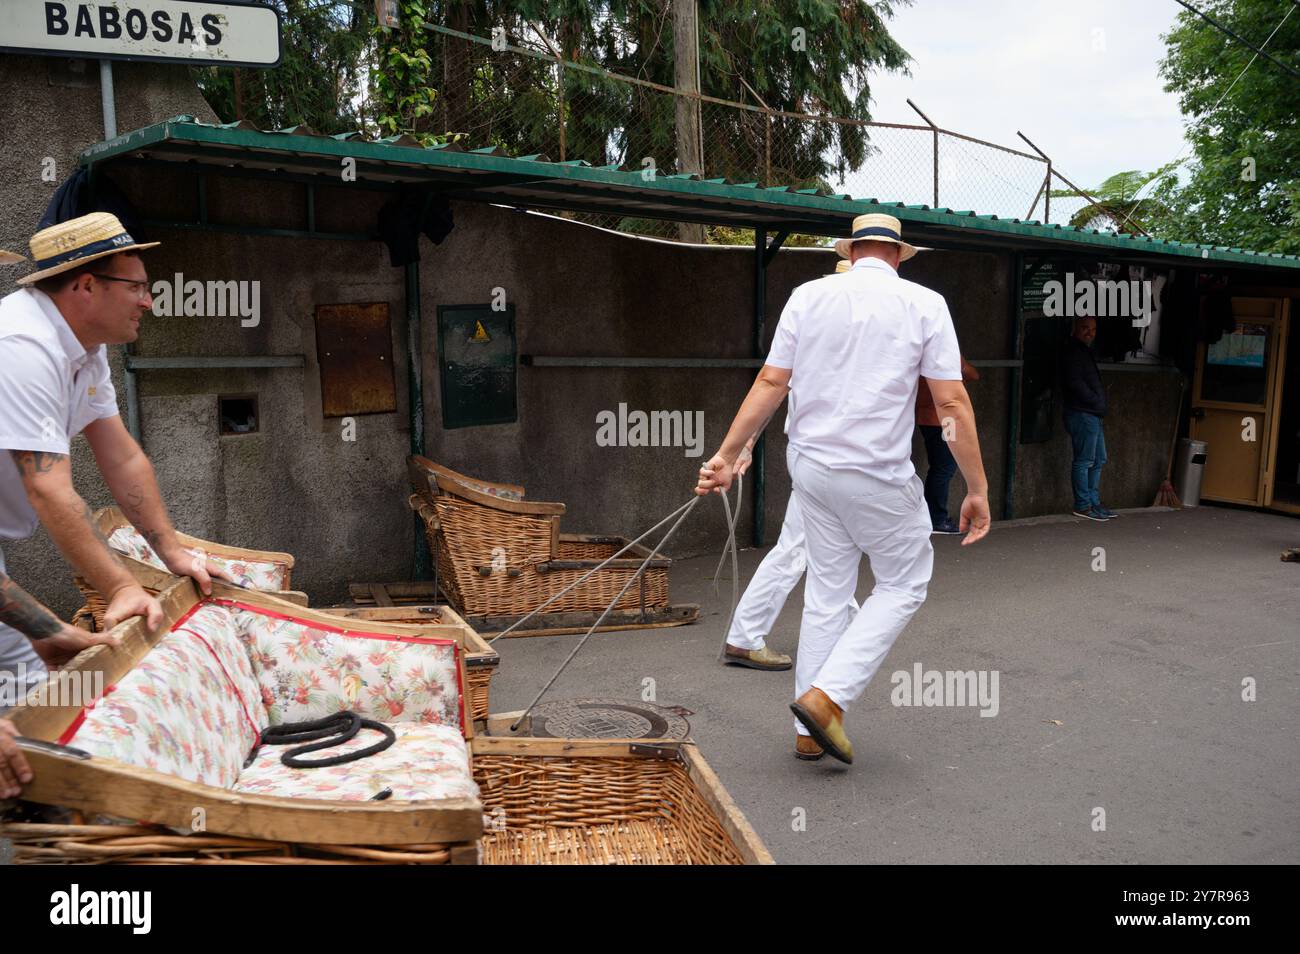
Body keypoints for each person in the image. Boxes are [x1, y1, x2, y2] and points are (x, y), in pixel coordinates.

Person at [697, 213, 990, 764]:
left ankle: (809, 732)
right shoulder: (926, 304)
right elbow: (951, 403)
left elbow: (770, 382)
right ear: (899, 256)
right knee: (905, 581)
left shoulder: (808, 296)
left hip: (810, 468)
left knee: (828, 594)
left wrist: (726, 456)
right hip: (876, 474)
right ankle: (827, 699)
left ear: (852, 251)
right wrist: (976, 487)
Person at [0, 213, 230, 789]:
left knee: (35, 700)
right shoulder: (21, 347)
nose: (149, 301)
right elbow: (49, 487)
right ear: (85, 287)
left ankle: (57, 826)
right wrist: (122, 587)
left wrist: (171, 553)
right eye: (137, 287)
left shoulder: (83, 345)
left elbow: (121, 456)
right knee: (27, 711)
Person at [723, 258, 858, 681]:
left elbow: (775, 386)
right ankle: (751, 636)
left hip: (818, 460)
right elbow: (775, 385)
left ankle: (748, 635)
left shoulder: (821, 330)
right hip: (830, 461)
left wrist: (745, 443)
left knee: (810, 545)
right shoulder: (840, 336)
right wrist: (742, 445)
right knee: (810, 548)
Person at [917, 356, 980, 534]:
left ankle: (933, 517)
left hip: (928, 417)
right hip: (945, 420)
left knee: (939, 467)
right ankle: (936, 518)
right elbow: (973, 373)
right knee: (944, 467)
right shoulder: (943, 353)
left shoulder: (918, 356)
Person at [1060, 316, 1115, 521]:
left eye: (1093, 329)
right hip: (1082, 412)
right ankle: (1083, 505)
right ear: (1075, 329)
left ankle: (1093, 502)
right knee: (1085, 461)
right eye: (1084, 328)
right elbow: (1074, 382)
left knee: (1099, 459)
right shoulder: (1073, 351)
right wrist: (1095, 401)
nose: (1089, 332)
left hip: (1092, 413)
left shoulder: (1084, 351)